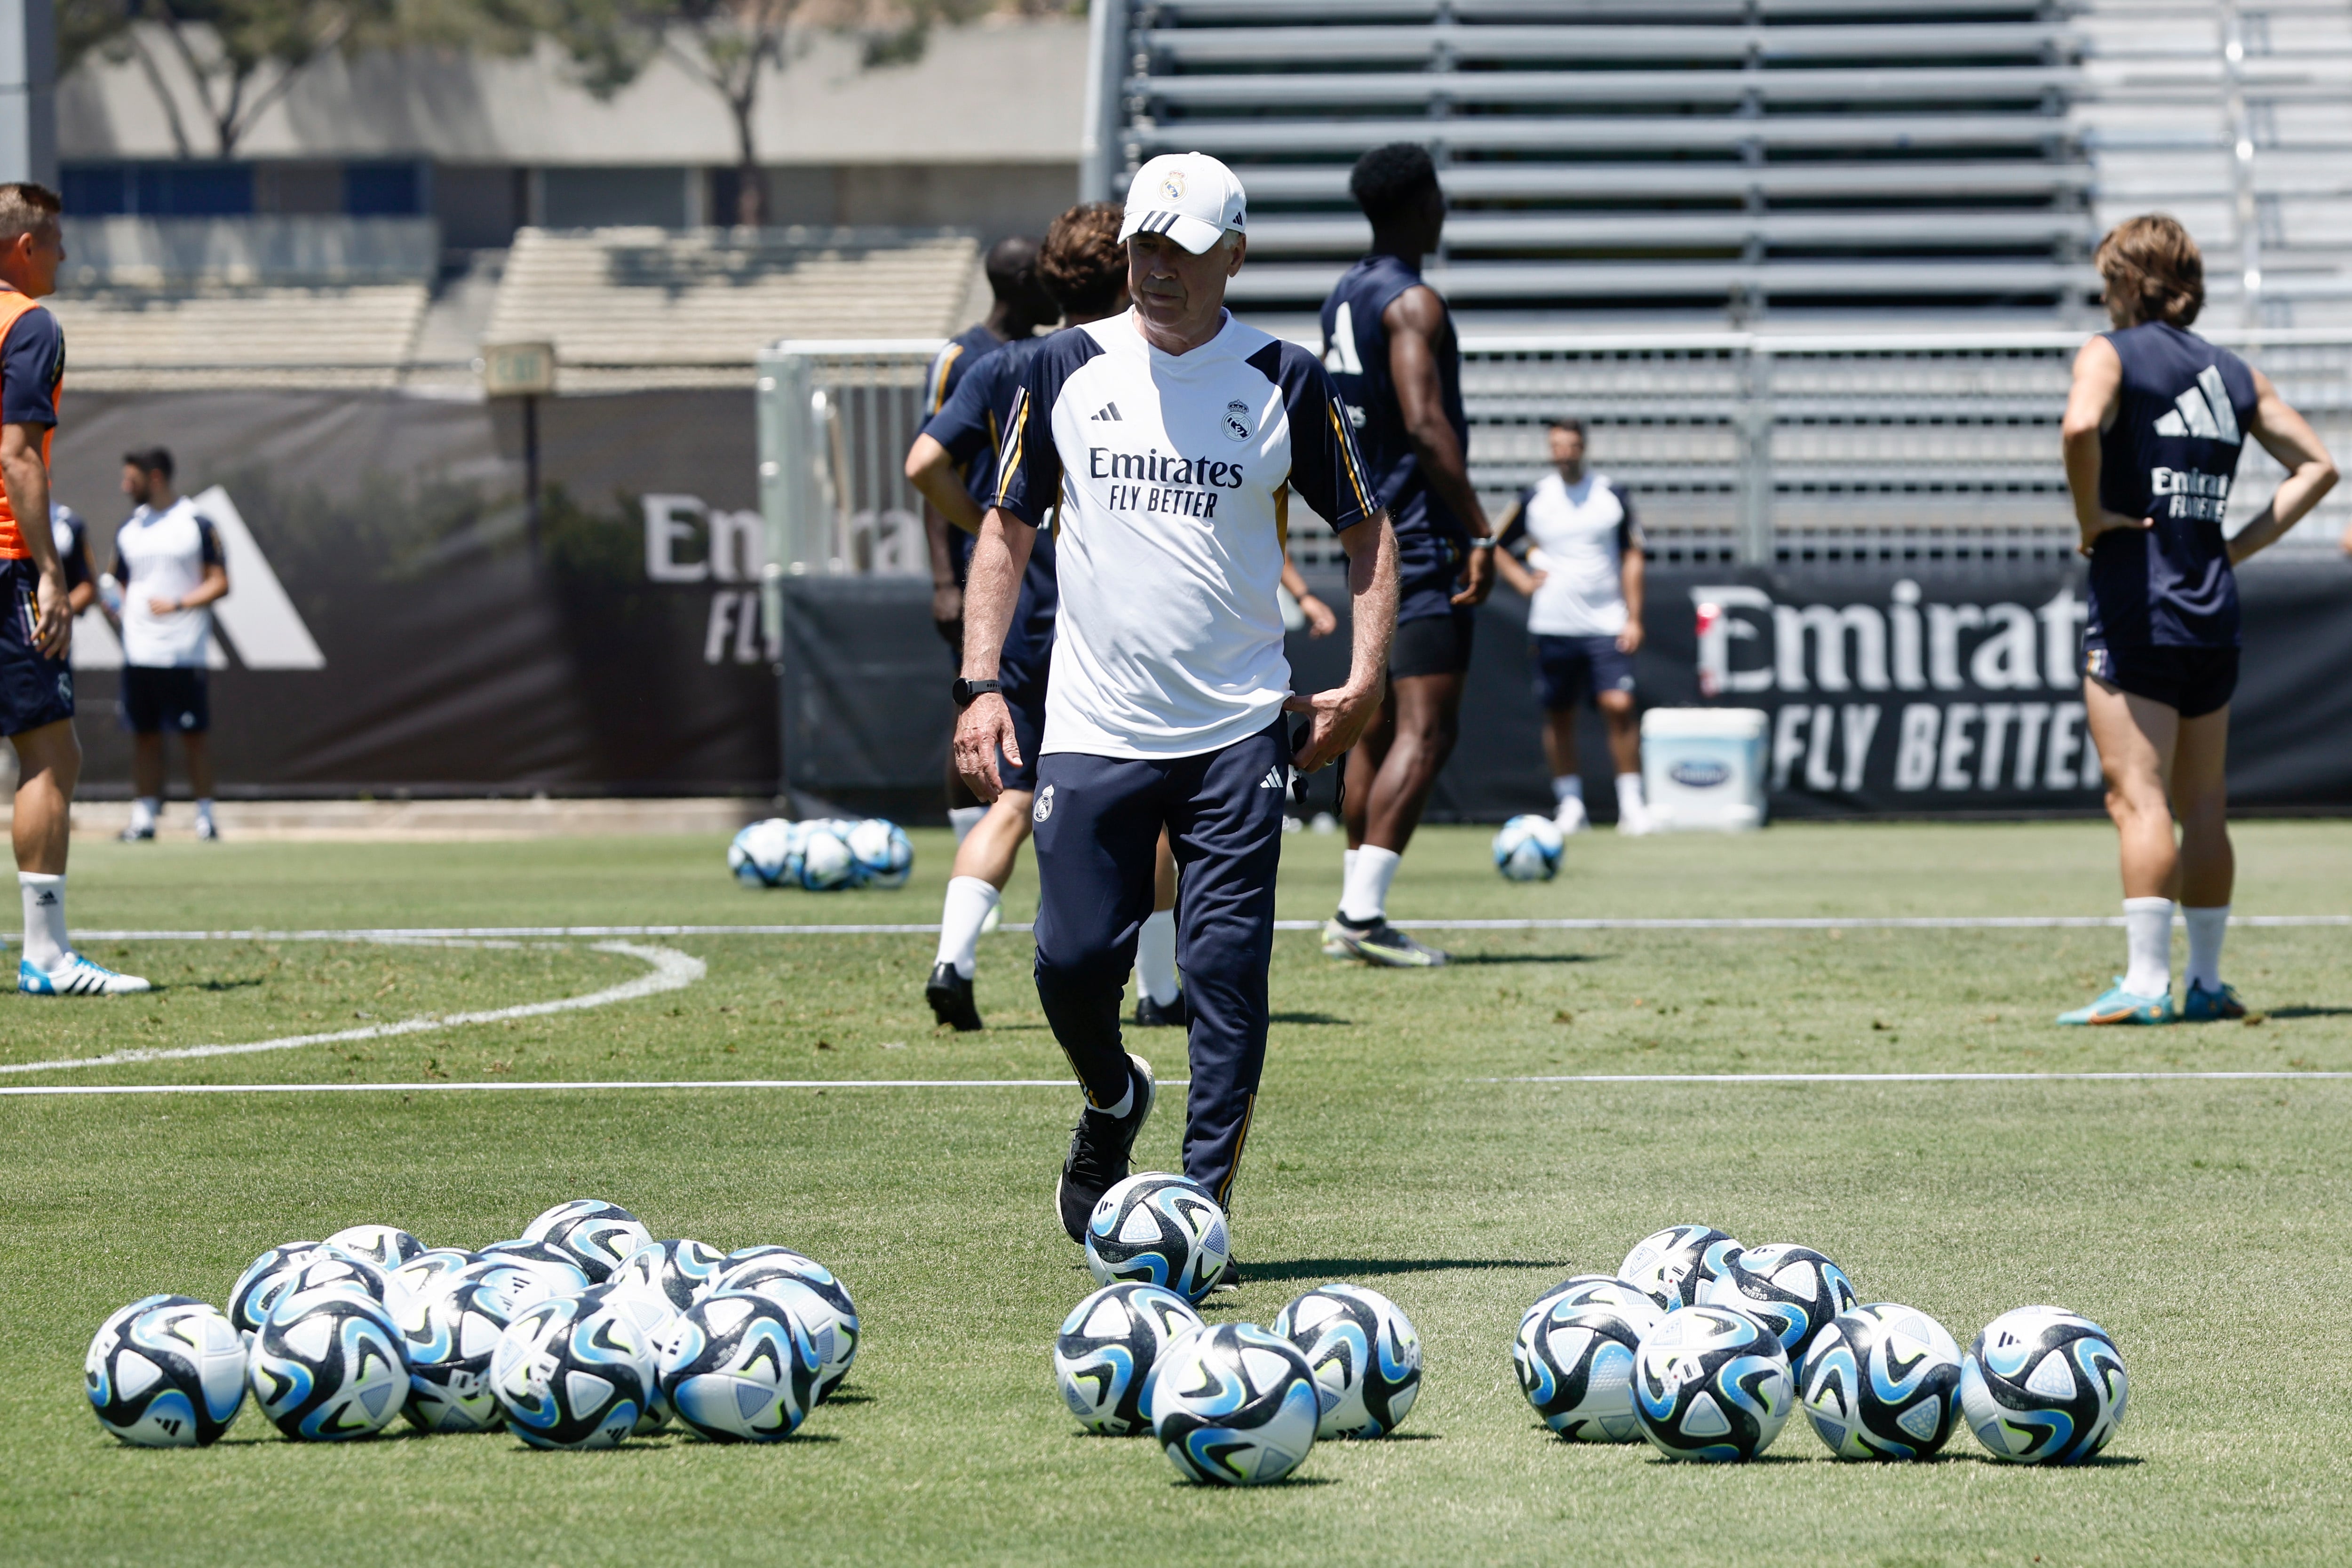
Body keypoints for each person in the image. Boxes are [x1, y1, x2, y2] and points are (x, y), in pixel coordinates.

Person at [956, 151, 1396, 1264]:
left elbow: (1368, 531)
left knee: (1224, 981)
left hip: (1240, 730)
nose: (1158, 269)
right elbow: (1004, 529)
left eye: (1184, 251)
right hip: (1093, 727)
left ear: (1232, 258)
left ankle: (1197, 1212)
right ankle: (1111, 1100)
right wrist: (980, 685)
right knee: (1065, 964)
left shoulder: (1284, 377)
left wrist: (1365, 674)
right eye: (1145, 246)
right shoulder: (1057, 365)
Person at [907, 202, 1188, 1031]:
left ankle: (953, 960)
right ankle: (1162, 987)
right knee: (1162, 796)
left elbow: (924, 462)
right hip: (1115, 611)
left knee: (1016, 797)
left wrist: (992, 527)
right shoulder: (1144, 364)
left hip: (1025, 611)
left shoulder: (1006, 364)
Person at [2058, 214, 2336, 1025]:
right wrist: (2236, 548)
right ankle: (2208, 982)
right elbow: (2320, 465)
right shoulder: (2233, 371)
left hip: (2137, 605)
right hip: (2212, 607)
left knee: (2137, 797)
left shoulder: (2109, 353)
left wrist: (2093, 517)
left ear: (2122, 281)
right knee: (2205, 801)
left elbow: (2080, 426)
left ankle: (2146, 984)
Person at [1317, 142, 1495, 969]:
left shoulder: (1343, 295)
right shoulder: (1412, 302)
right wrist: (1481, 531)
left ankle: (1353, 902)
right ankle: (1362, 913)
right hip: (1420, 535)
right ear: (1424, 202)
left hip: (1365, 530)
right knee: (1429, 729)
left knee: (1373, 729)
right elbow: (1426, 426)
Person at [0, 183, 146, 995]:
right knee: (51, 753)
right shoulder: (30, 324)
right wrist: (53, 573)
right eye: (54, 241)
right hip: (7, 560)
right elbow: (18, 456)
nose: (64, 255)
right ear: (24, 248)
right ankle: (47, 956)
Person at [922, 237, 1057, 847]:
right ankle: (967, 844)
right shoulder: (963, 357)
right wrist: (948, 579)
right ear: (1024, 280)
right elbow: (930, 466)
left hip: (1046, 558)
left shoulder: (1057, 351)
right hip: (989, 562)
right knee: (976, 703)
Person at [1491, 418, 1652, 835]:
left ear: (1584, 447)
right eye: (1557, 446)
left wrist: (1634, 616)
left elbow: (1633, 556)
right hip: (1553, 624)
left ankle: (1632, 804)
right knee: (1559, 714)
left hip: (1607, 621)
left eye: (1571, 445)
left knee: (1618, 706)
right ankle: (1571, 804)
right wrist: (1524, 581)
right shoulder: (1536, 498)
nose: (1564, 453)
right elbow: (1493, 544)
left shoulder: (1610, 495)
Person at [113, 448, 230, 844]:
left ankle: (206, 819)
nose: (125, 486)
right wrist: (117, 605)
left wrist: (179, 604)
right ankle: (144, 819)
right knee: (144, 736)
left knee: (194, 737)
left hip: (183, 651)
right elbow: (119, 585)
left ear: (156, 477)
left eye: (133, 478)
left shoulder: (195, 522)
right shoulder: (131, 528)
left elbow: (220, 582)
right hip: (138, 652)